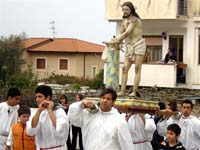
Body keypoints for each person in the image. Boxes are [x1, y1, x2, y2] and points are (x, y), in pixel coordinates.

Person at [68, 88, 133, 150]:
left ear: (113, 102)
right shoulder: (89, 114)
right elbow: (73, 117)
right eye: (103, 98)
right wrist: (82, 103)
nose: (105, 100)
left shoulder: (118, 119)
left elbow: (126, 143)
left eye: (108, 99)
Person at [114, 1, 146, 97]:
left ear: (131, 10)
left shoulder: (134, 20)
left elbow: (127, 33)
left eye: (127, 9)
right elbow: (121, 33)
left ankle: (134, 91)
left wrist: (118, 40)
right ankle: (123, 91)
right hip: (129, 47)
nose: (124, 11)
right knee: (124, 69)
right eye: (123, 9)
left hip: (138, 44)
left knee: (137, 68)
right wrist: (117, 41)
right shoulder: (124, 21)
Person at [26, 85, 69, 150]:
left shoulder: (59, 111)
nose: (37, 99)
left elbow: (61, 129)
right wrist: (39, 111)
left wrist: (50, 110)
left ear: (48, 98)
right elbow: (30, 131)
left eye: (40, 97)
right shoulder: (37, 112)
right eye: (36, 97)